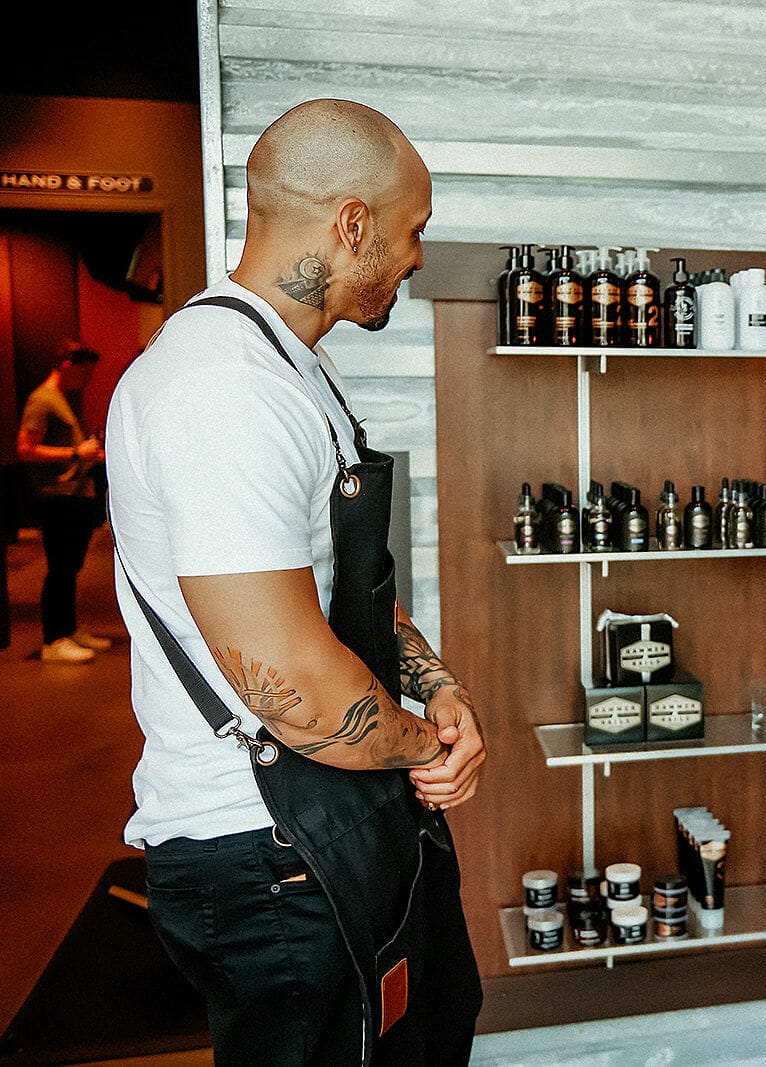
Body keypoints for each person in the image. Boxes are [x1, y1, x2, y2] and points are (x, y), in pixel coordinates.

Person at [105, 99, 485, 1063]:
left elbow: (343, 588)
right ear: (351, 223)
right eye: (412, 232)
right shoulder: (220, 389)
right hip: (270, 861)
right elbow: (301, 697)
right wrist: (425, 745)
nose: (416, 258)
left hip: (329, 829)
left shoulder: (290, 370)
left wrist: (439, 689)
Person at [16, 341, 113, 663]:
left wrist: (87, 454)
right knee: (61, 568)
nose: (87, 380)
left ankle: (66, 629)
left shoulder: (58, 399)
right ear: (68, 365)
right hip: (57, 497)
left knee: (69, 567)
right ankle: (54, 638)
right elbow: (25, 448)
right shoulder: (42, 400)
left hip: (71, 495)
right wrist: (76, 453)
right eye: (84, 373)